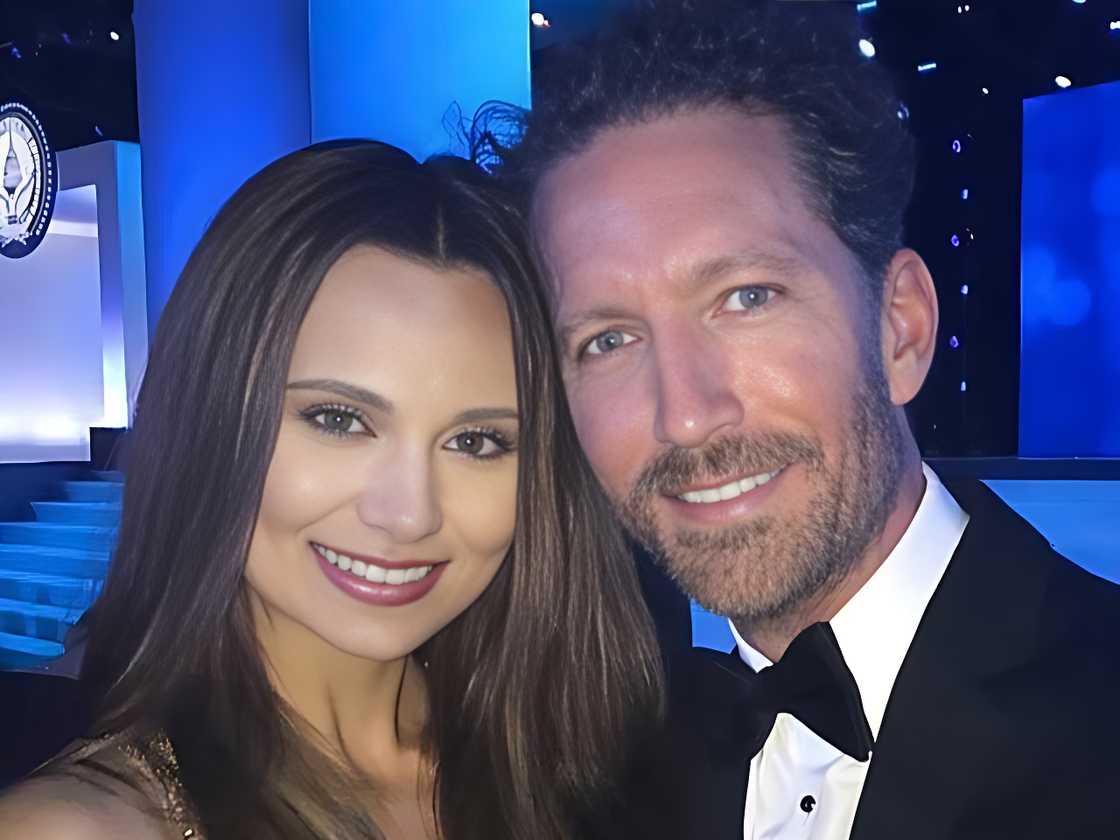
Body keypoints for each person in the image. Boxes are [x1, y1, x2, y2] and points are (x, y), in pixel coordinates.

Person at [497, 1, 1120, 837]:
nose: (684, 416)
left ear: (900, 327)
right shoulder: (606, 763)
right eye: (608, 339)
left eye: (747, 298)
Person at [0, 141, 666, 838]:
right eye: (339, 420)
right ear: (212, 422)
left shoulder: (590, 764)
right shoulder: (81, 828)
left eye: (476, 442)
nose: (409, 514)